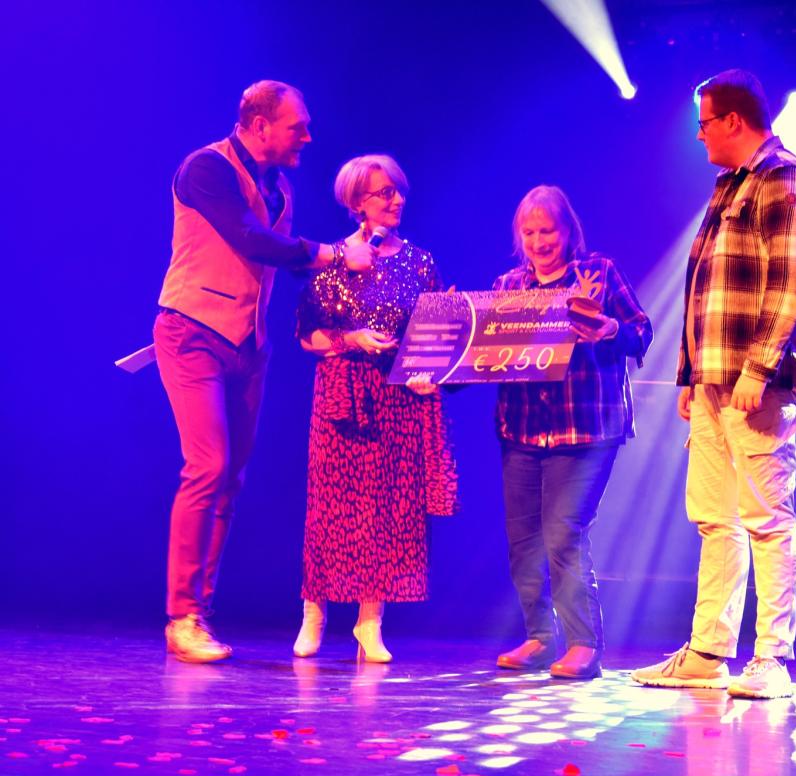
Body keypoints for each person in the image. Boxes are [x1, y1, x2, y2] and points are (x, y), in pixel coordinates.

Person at [155, 80, 375, 663]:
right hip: (192, 332)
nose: (308, 136)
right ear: (259, 126)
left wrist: (356, 263)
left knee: (230, 479)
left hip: (247, 344)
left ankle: (199, 612)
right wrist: (333, 253)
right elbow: (249, 239)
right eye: (297, 126)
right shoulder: (206, 168)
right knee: (208, 465)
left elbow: (287, 259)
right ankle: (181, 617)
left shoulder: (279, 187)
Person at [631, 69, 796, 699]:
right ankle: (708, 652)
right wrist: (689, 375)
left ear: (734, 121)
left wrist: (760, 367)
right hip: (716, 378)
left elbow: (791, 286)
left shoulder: (784, 179)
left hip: (756, 381)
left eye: (706, 123)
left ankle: (772, 658)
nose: (699, 135)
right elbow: (702, 290)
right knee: (716, 518)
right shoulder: (729, 185)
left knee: (767, 517)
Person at [293, 155, 458, 663]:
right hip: (343, 395)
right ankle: (314, 613)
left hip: (395, 398)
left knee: (385, 510)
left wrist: (433, 360)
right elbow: (306, 336)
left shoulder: (421, 262)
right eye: (385, 193)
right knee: (331, 506)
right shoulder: (334, 259)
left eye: (398, 191)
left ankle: (370, 622)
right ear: (357, 202)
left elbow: (432, 336)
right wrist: (351, 339)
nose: (396, 200)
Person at [493, 185, 653, 680]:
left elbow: (641, 331)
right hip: (523, 428)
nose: (540, 241)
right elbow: (485, 354)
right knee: (524, 539)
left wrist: (610, 330)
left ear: (568, 231)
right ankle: (541, 638)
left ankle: (584, 643)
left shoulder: (598, 273)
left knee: (563, 532)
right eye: (530, 232)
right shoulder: (507, 285)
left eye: (548, 231)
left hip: (585, 428)